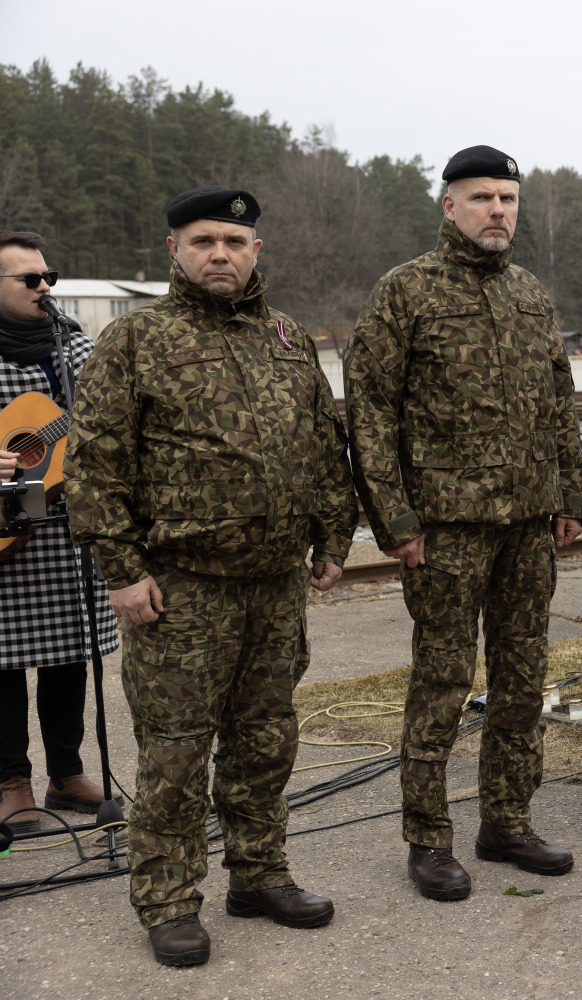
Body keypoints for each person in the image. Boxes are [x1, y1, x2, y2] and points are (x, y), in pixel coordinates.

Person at [66, 187, 357, 966]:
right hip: (181, 587)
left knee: (266, 738)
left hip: (275, 585)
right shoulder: (137, 340)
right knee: (176, 750)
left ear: (257, 251)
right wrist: (122, 570)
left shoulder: (288, 338)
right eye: (203, 241)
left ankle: (259, 874)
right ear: (175, 251)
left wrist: (333, 536)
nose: (219, 254)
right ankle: (167, 899)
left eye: (234, 241)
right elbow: (94, 465)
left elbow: (325, 448)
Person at [344, 145, 582, 902]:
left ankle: (507, 822)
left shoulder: (530, 294)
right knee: (443, 683)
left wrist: (572, 496)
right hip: (446, 528)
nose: (497, 211)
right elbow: (371, 411)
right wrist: (395, 519)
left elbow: (557, 400)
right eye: (481, 197)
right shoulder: (406, 291)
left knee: (522, 681)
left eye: (508, 199)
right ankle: (428, 838)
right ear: (448, 205)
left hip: (526, 525)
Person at [0, 231, 120, 834]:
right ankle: (11, 781)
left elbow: (112, 412)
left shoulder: (74, 346)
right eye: (30, 279)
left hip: (70, 530)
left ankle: (66, 773)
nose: (44, 287)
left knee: (71, 653)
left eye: (50, 277)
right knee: (2, 665)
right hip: (6, 533)